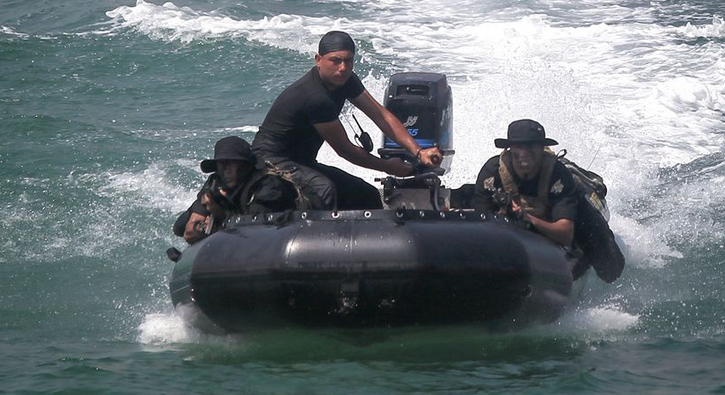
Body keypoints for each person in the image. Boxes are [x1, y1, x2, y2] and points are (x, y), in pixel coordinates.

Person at [251, 31, 442, 211]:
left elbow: (381, 116)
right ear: (318, 60)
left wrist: (418, 152)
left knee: (366, 194)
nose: (342, 68)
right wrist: (387, 167)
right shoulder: (315, 97)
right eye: (335, 61)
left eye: (348, 61)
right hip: (271, 162)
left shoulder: (346, 80)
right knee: (324, 190)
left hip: (302, 162)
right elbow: (344, 150)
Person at [471, 119, 577, 247]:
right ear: (510, 149)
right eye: (518, 147)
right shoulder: (492, 173)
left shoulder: (557, 175)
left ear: (542, 149)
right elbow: (480, 222)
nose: (523, 154)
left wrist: (528, 219)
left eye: (531, 147)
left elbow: (566, 234)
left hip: (547, 241)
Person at [173, 135, 297, 244]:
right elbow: (181, 227)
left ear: (245, 165)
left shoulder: (267, 186)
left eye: (231, 163)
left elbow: (254, 232)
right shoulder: (217, 181)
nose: (225, 170)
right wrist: (197, 215)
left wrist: (220, 214)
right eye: (221, 164)